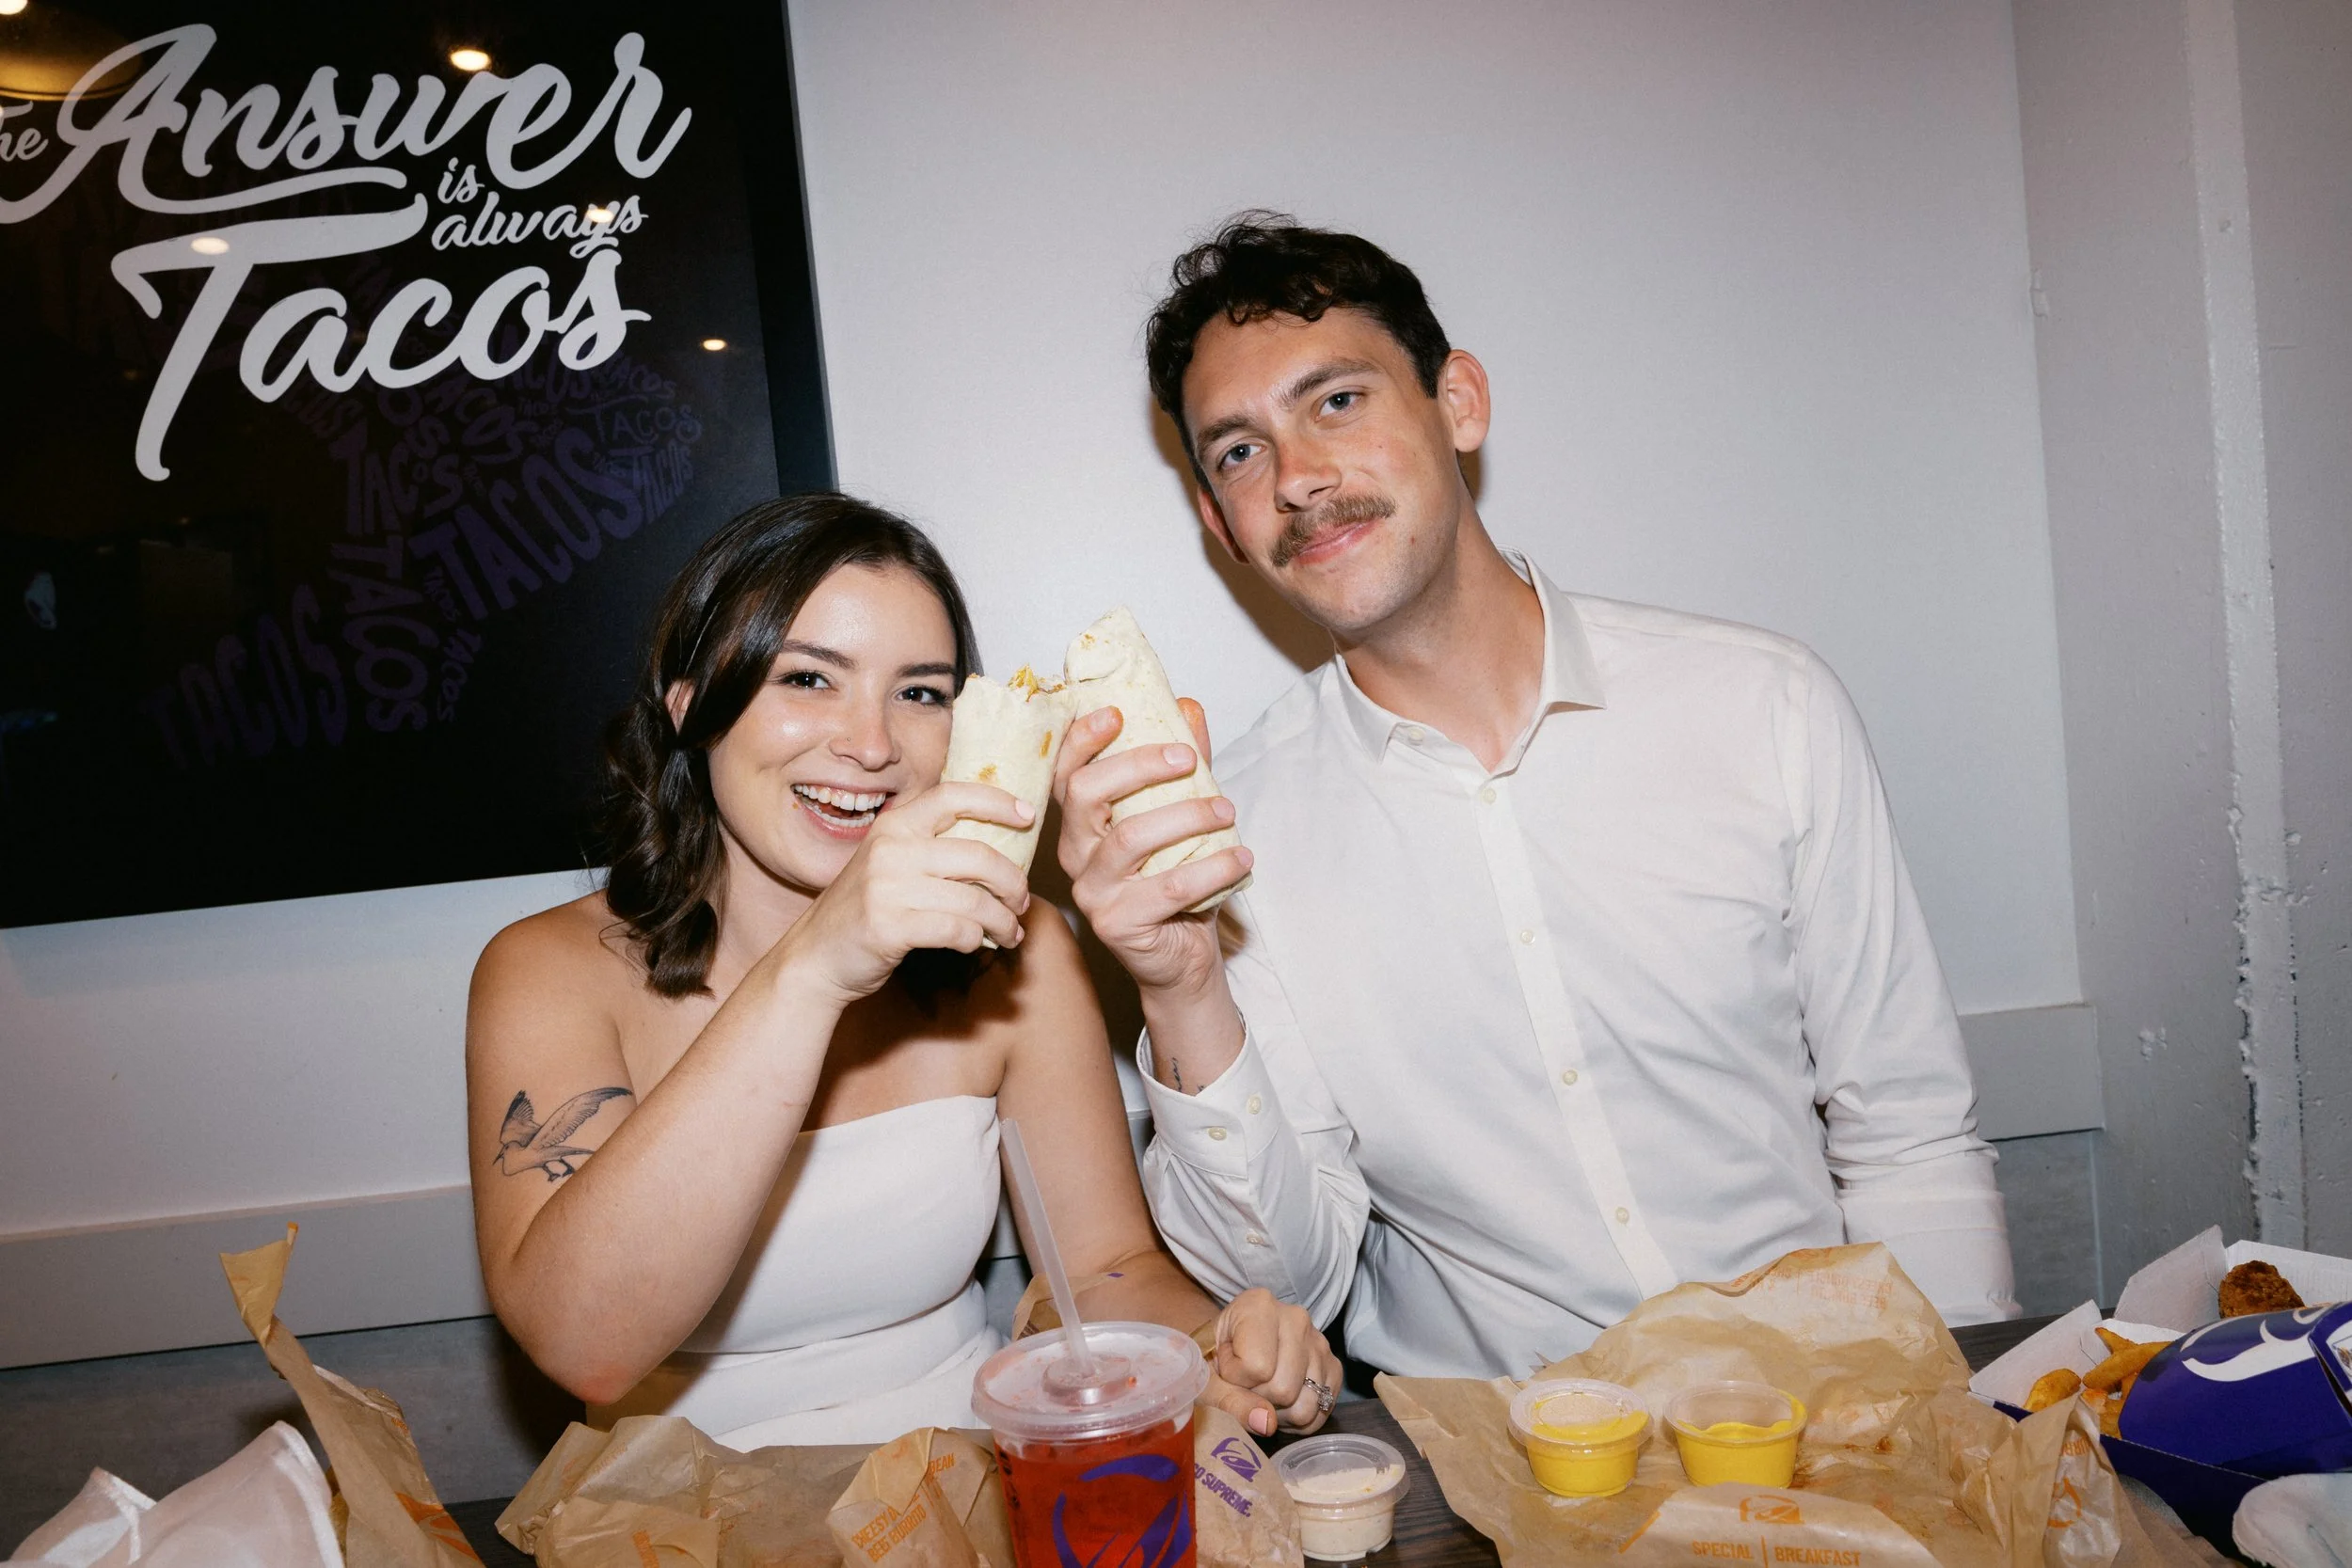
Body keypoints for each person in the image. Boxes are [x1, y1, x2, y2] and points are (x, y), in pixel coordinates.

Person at [1051, 215, 2020, 1383]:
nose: (1297, 476)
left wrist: (1960, 1418)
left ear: (1457, 403)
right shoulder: (1227, 830)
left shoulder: (1763, 706)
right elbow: (1284, 1281)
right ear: (1220, 523)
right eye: (1241, 452)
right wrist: (1181, 985)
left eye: (1337, 401)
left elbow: (1909, 1132)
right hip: (1487, 1459)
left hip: (1823, 1419)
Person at [465, 493, 1340, 1445]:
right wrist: (814, 965)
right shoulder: (547, 970)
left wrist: (1213, 1346)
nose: (872, 744)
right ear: (690, 705)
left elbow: (1101, 1267)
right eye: (808, 678)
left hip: (968, 1485)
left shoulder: (1015, 950)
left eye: (920, 693)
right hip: (672, 1504)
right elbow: (583, 1344)